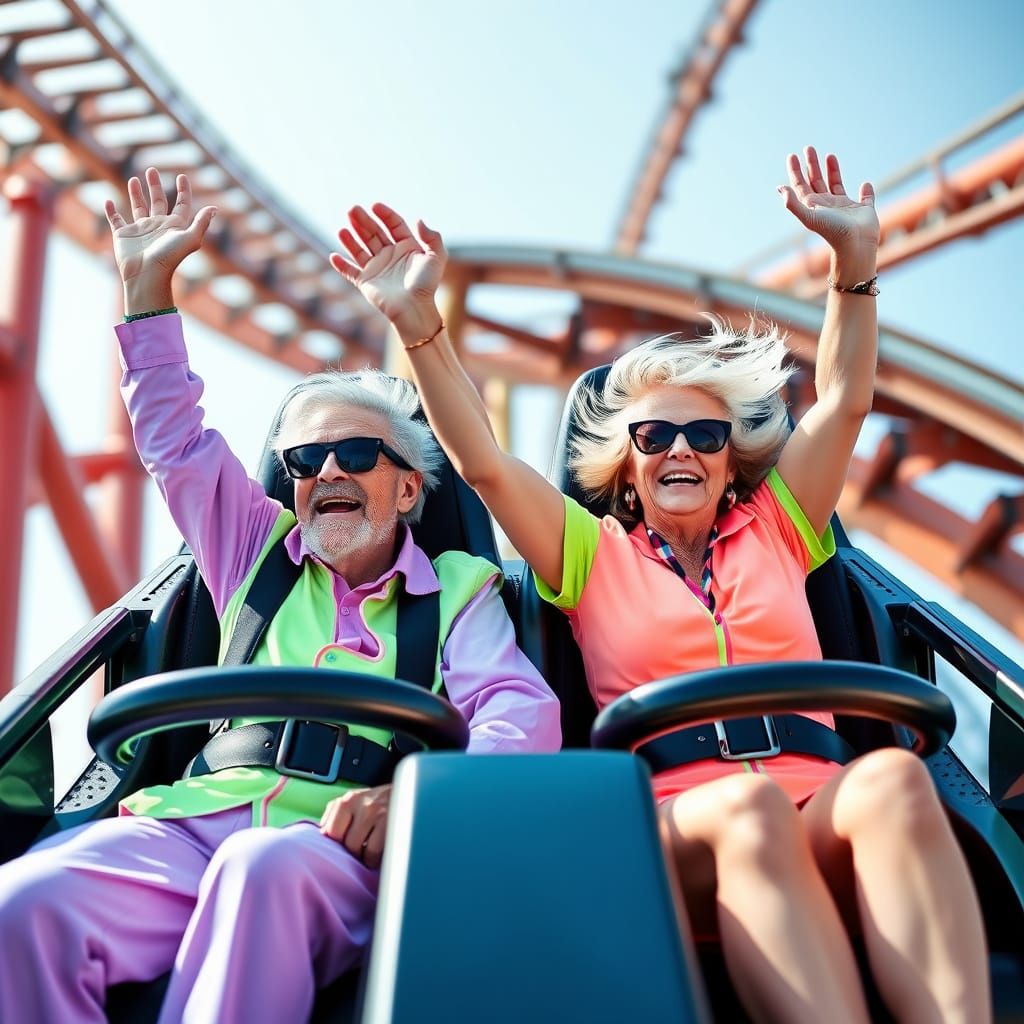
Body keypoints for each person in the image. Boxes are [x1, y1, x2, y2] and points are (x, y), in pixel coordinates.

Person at [327, 148, 991, 1024]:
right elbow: (483, 463)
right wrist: (422, 329)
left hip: (814, 799)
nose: (681, 448)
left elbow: (844, 404)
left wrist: (853, 267)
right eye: (655, 436)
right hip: (677, 824)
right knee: (748, 807)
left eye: (705, 435)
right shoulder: (589, 553)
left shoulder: (782, 527)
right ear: (628, 467)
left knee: (896, 781)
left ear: (731, 462)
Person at [0, 169, 560, 1024]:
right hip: (188, 825)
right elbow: (176, 444)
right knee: (23, 904)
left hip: (329, 847)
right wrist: (146, 292)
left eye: (357, 455)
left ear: (410, 488)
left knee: (258, 868)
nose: (327, 471)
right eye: (304, 461)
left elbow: (519, 714)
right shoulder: (252, 550)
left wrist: (422, 801)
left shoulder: (458, 588)